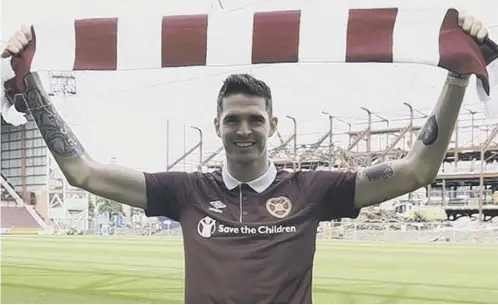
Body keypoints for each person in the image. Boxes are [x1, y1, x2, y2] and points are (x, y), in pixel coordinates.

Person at [1, 13, 489, 303]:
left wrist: (457, 77)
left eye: (255, 119)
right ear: (218, 126)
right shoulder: (186, 192)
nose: (243, 129)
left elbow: (417, 170)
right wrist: (33, 87)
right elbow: (81, 171)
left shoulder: (314, 190)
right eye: (232, 119)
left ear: (272, 126)